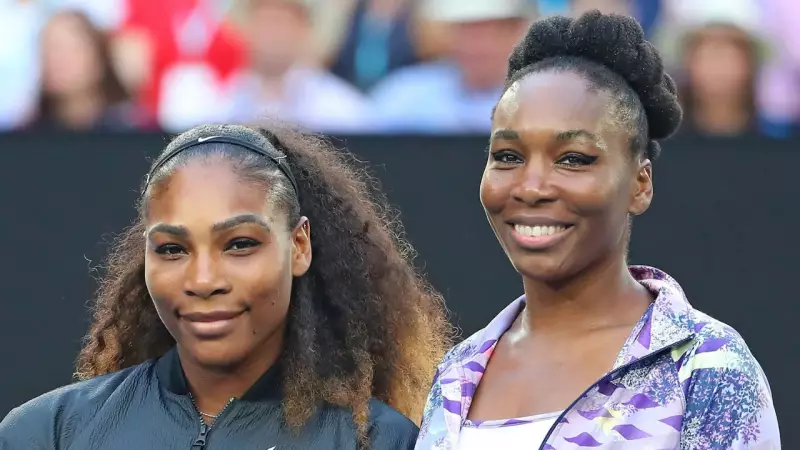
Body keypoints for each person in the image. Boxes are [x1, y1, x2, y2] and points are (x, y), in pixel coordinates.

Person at [415, 11, 780, 450]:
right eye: (508, 156)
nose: (531, 187)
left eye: (573, 159)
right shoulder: (456, 373)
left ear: (640, 185)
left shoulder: (707, 368)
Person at [0, 123, 454, 449]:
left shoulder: (377, 441)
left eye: (239, 244)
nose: (203, 280)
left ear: (299, 246)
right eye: (172, 249)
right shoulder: (50, 432)